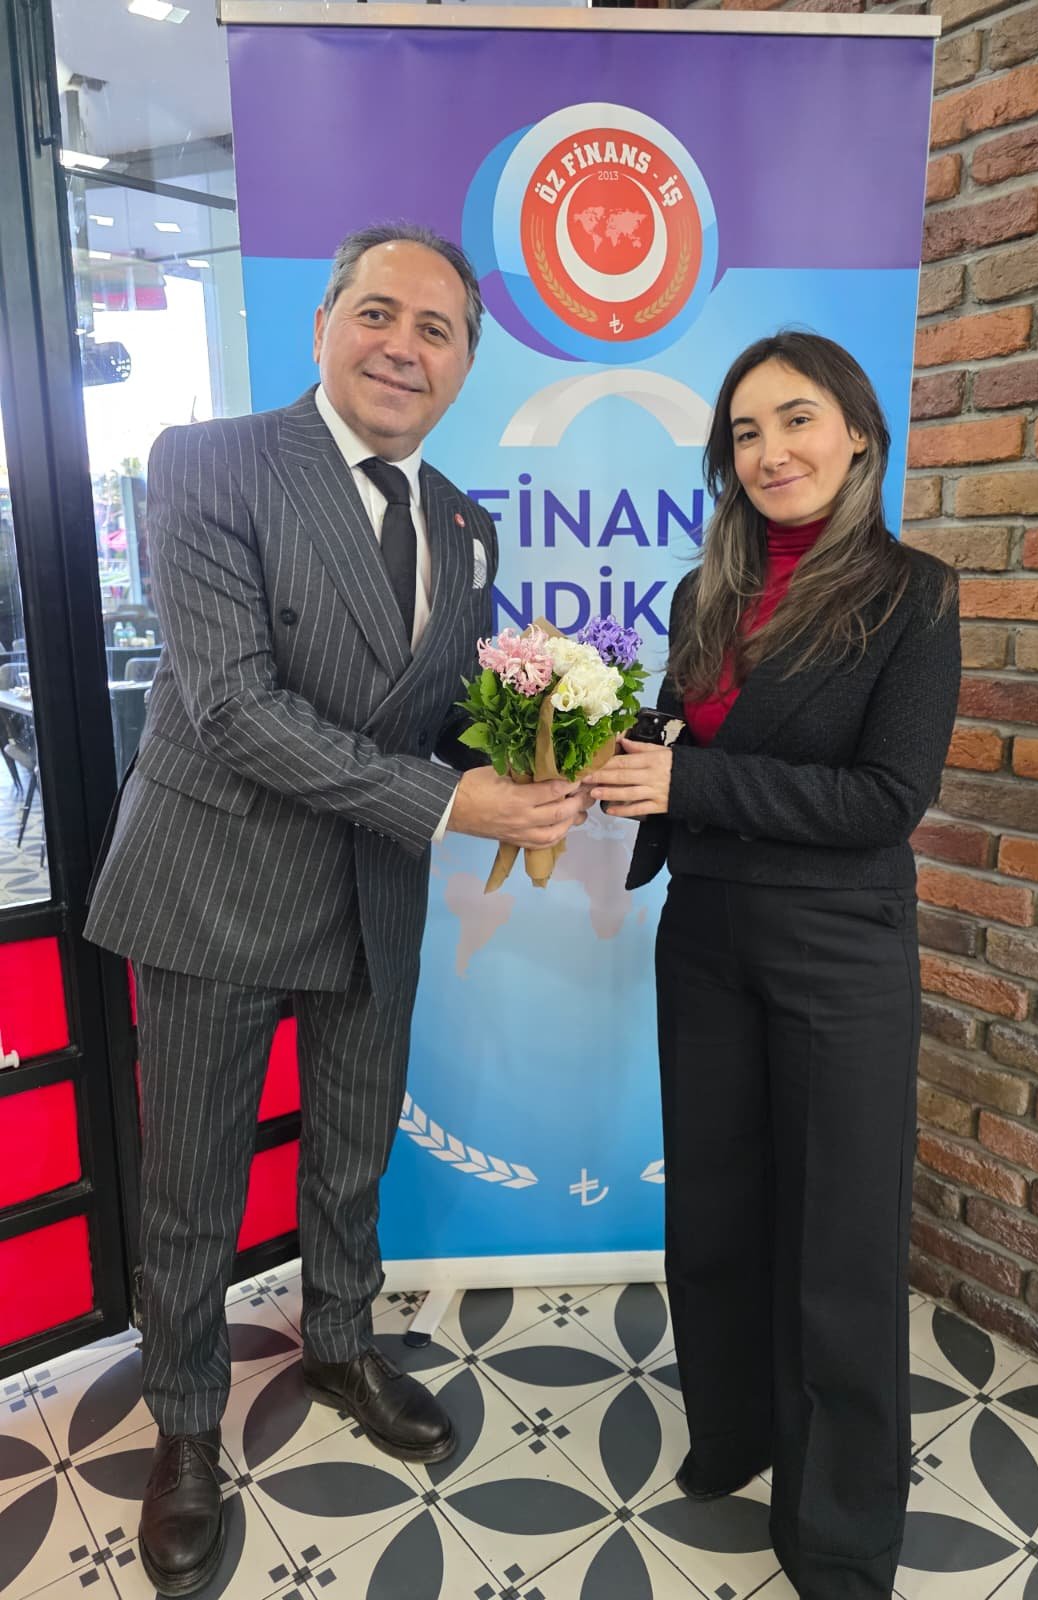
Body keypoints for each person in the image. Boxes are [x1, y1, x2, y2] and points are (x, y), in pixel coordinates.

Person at [85, 222, 589, 1597]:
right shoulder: (209, 462)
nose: (402, 347)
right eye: (378, 313)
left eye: (436, 330)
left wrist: (553, 751)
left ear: (465, 365)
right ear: (323, 325)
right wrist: (454, 805)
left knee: (352, 1146)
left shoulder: (465, 524)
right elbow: (233, 709)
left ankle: (342, 1342)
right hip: (216, 879)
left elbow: (441, 714)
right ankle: (187, 1422)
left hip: (372, 881)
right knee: (194, 1180)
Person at [584, 331, 960, 1599]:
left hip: (839, 945)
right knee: (717, 1212)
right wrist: (608, 746)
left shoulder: (914, 595)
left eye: (796, 419)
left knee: (838, 1244)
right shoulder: (708, 593)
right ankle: (735, 1430)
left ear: (858, 433)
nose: (771, 451)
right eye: (746, 432)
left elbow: (885, 800)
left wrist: (688, 780)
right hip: (705, 929)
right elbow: (692, 738)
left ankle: (839, 1531)